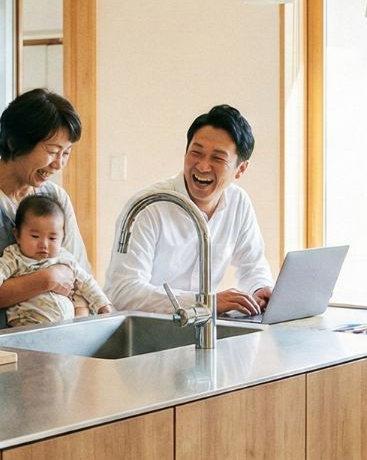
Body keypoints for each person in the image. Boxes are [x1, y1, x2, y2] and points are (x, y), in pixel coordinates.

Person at [104, 104, 274, 316]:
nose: (202, 166)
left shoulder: (238, 202)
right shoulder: (149, 205)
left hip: (200, 328)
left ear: (240, 169)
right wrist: (205, 303)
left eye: (218, 158)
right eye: (196, 153)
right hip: (151, 330)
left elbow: (253, 265)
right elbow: (123, 291)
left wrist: (260, 288)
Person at [0, 89, 89, 335]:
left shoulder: (56, 198)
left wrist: (78, 331)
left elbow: (80, 277)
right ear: (15, 143)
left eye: (66, 153)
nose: (58, 164)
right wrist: (48, 279)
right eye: (52, 151)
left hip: (59, 347)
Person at [0, 194, 112, 327]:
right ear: (17, 235)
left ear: (62, 238)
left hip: (66, 326)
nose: (44, 244)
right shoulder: (15, 256)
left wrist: (103, 305)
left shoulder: (65, 258)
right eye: (35, 236)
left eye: (52, 238)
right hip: (28, 325)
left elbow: (86, 282)